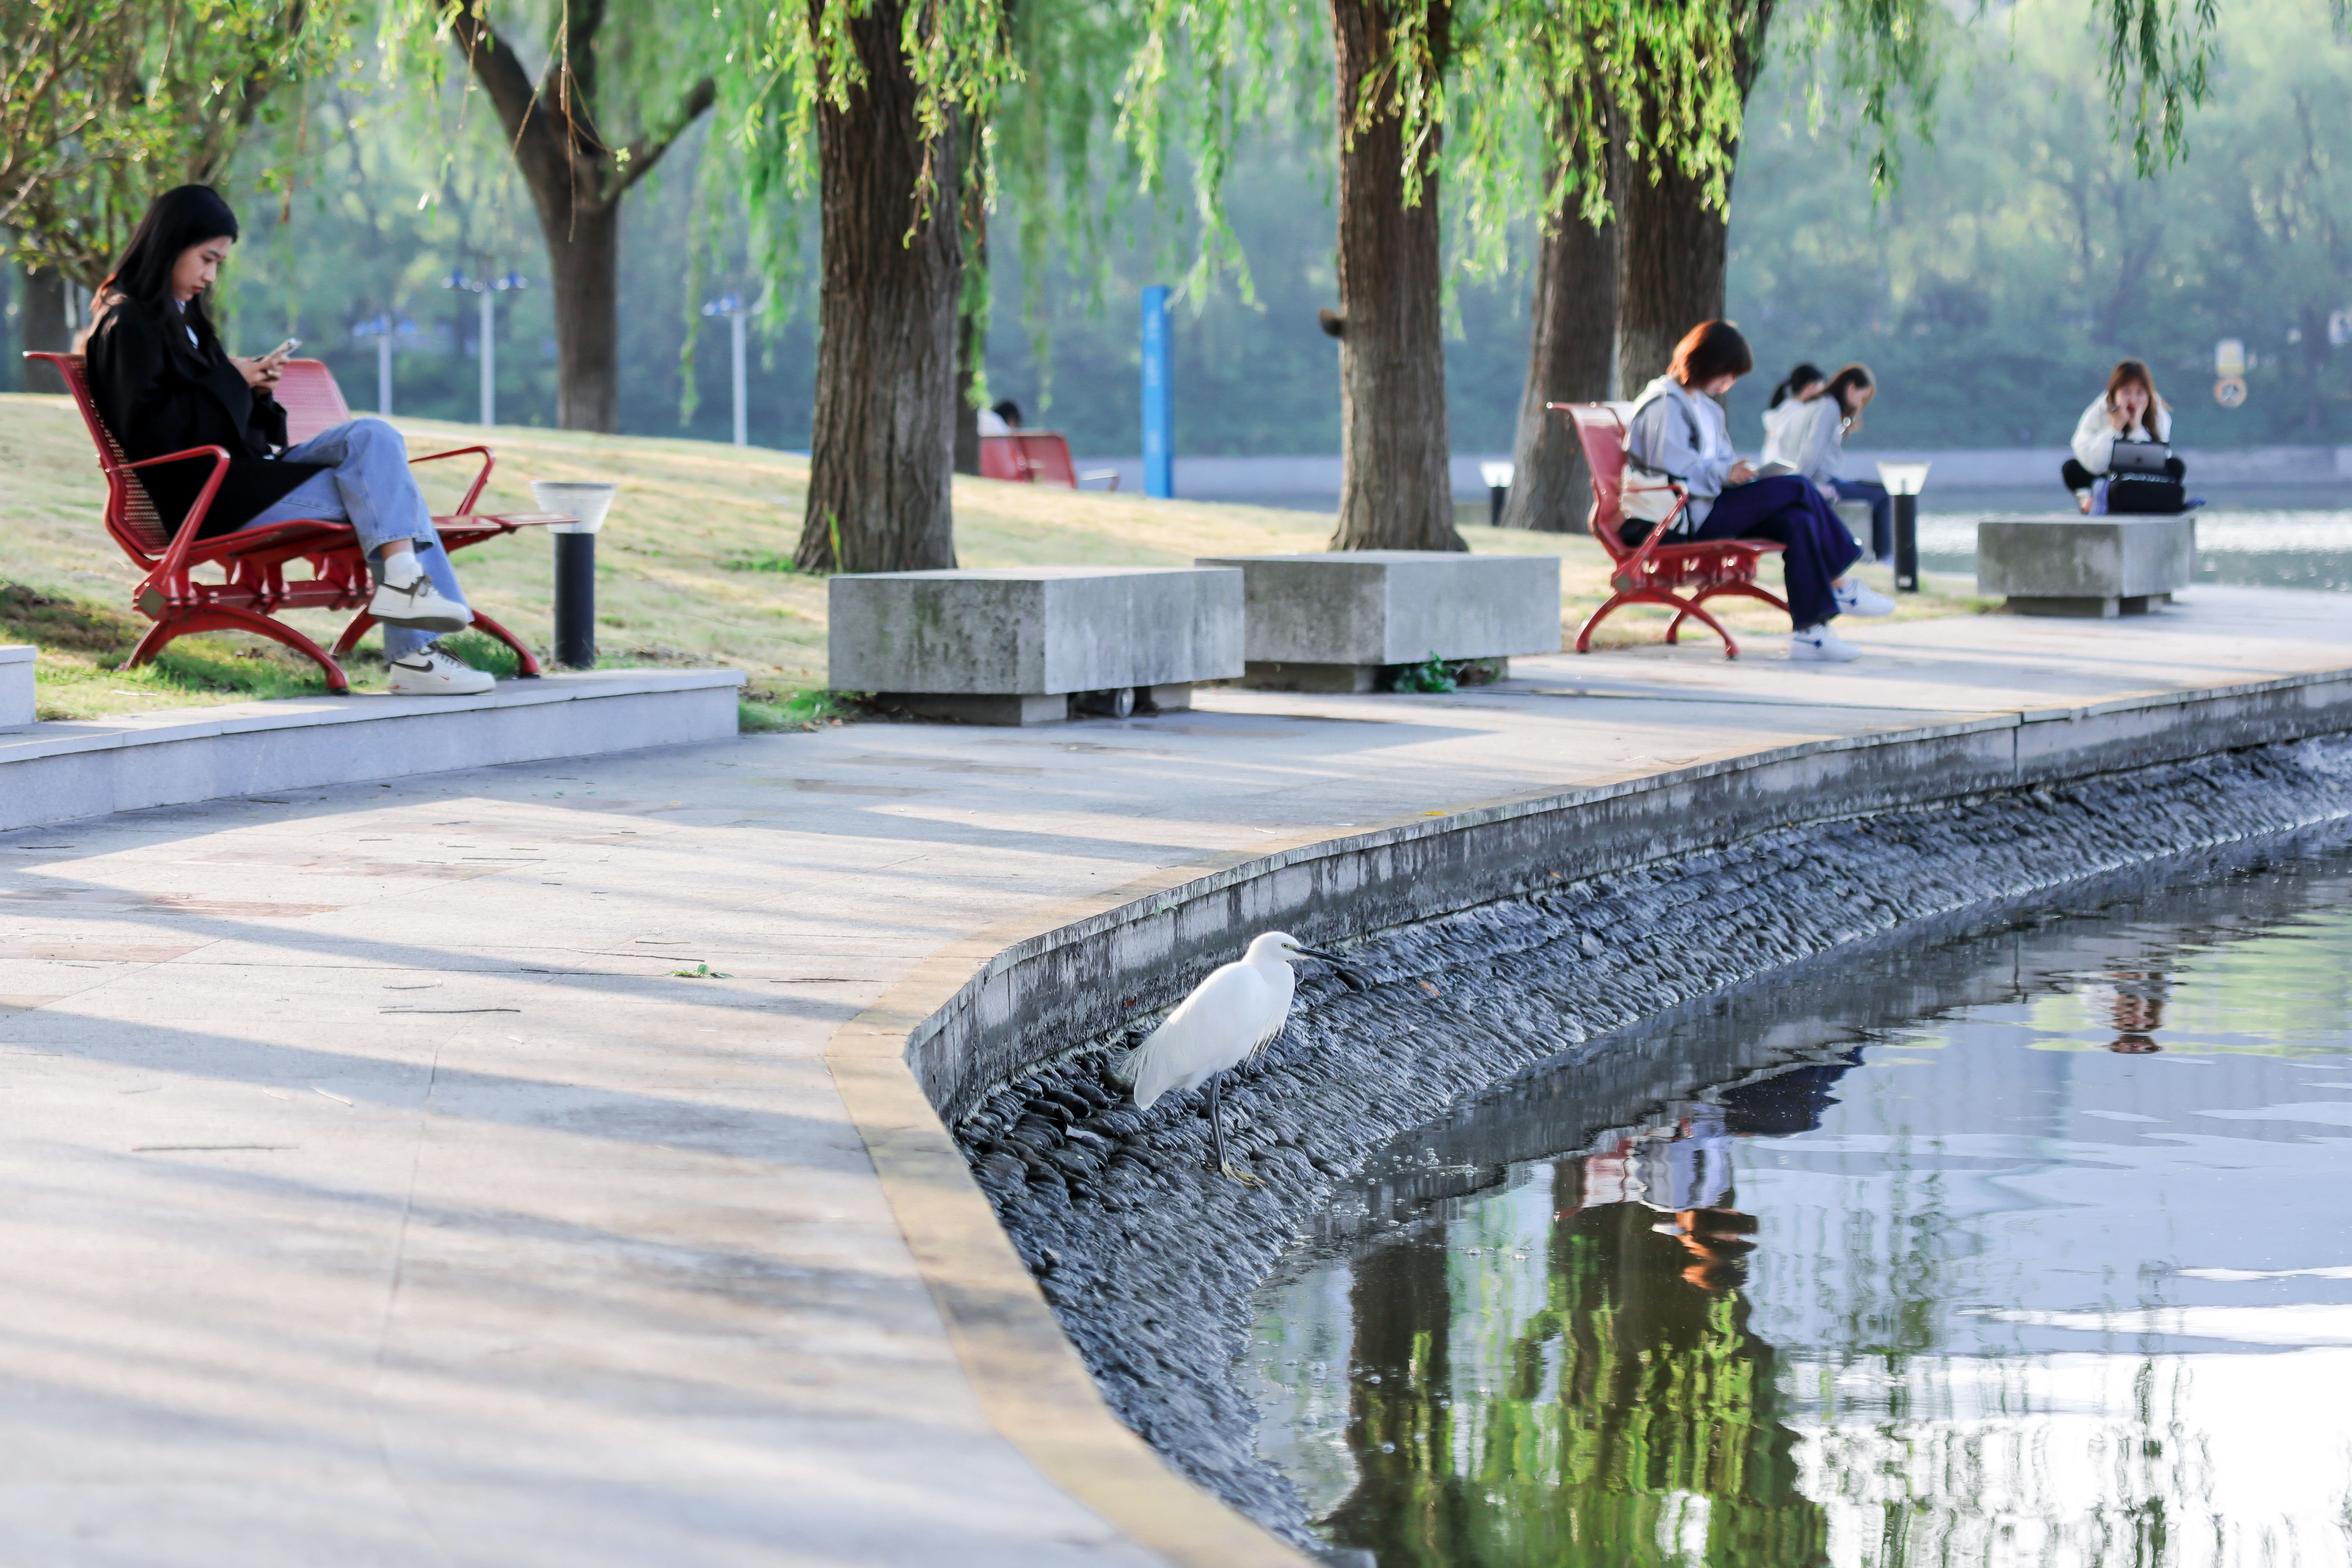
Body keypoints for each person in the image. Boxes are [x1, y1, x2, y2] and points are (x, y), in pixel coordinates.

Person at [82, 185, 493, 695]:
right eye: (206, 259)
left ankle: (407, 590)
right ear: (170, 244)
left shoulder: (183, 319)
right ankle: (416, 653)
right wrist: (234, 381)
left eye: (219, 264)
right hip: (208, 498)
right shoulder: (128, 324)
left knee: (374, 437)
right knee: (386, 494)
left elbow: (236, 426)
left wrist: (255, 390)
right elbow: (153, 433)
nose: (211, 277)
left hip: (244, 478)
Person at [1626, 321, 1890, 663]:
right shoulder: (1665, 405)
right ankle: (1841, 583)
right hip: (1679, 518)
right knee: (1798, 486)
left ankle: (1810, 633)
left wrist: (1737, 474)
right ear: (1706, 363)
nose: (1729, 383)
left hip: (1707, 505)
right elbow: (1676, 471)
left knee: (1798, 520)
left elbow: (1712, 464)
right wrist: (1726, 473)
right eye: (1727, 373)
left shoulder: (1705, 407)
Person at [1764, 363, 1894, 563]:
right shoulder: (1828, 408)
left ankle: (1880, 559)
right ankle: (1886, 561)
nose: (1861, 405)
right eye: (1862, 398)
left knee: (1875, 489)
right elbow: (1811, 454)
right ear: (1851, 387)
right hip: (1821, 482)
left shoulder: (1817, 404)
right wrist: (1807, 487)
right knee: (1883, 495)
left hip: (1814, 480)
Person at [2064, 359, 2186, 514]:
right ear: (2114, 393)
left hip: (2142, 479)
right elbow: (2095, 464)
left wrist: (2137, 428)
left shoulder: (2158, 415)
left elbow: (2156, 462)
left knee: (2176, 466)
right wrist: (2115, 428)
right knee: (2071, 469)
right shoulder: (2098, 413)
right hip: (2107, 476)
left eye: (2140, 393)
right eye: (2127, 393)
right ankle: (2093, 500)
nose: (2133, 400)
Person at [1759, 360, 1825, 457]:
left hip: (1771, 469)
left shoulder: (1783, 410)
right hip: (1790, 471)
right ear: (1811, 386)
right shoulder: (1801, 413)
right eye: (1822, 387)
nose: (1824, 394)